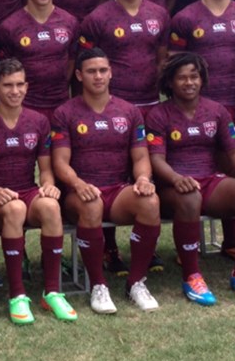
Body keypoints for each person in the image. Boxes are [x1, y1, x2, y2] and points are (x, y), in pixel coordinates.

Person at [146, 52, 235, 306]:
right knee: (190, 197)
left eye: (194, 76)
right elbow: (156, 160)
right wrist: (176, 178)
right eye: (181, 78)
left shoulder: (217, 111)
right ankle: (192, 275)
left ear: (203, 80)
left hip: (209, 181)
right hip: (171, 187)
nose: (189, 82)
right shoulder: (158, 114)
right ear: (170, 82)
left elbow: (234, 149)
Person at [79, 0, 170, 275]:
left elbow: (161, 58)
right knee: (108, 173)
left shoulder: (158, 14)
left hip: (147, 104)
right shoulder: (98, 17)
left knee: (143, 177)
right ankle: (109, 248)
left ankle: (146, 249)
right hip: (111, 106)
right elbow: (87, 60)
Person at [51, 48, 162, 313]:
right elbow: (60, 163)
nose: (98, 76)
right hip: (81, 192)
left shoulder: (129, 111)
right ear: (79, 75)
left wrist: (144, 178)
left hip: (117, 189)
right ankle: (99, 286)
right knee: (90, 206)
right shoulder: (65, 112)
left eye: (103, 70)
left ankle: (136, 281)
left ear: (111, 72)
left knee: (150, 201)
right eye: (91, 71)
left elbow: (140, 156)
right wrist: (78, 185)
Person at [0, 59, 76, 324]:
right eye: (7, 85)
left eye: (19, 85)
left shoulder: (39, 121)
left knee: (51, 207)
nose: (14, 91)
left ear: (27, 87)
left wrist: (48, 185)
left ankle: (52, 291)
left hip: (27, 191)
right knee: (15, 209)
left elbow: (46, 169)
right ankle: (17, 295)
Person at [0, 0, 78, 120]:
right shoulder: (10, 26)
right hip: (24, 107)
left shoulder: (69, 22)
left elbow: (71, 61)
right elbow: (4, 72)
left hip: (60, 105)